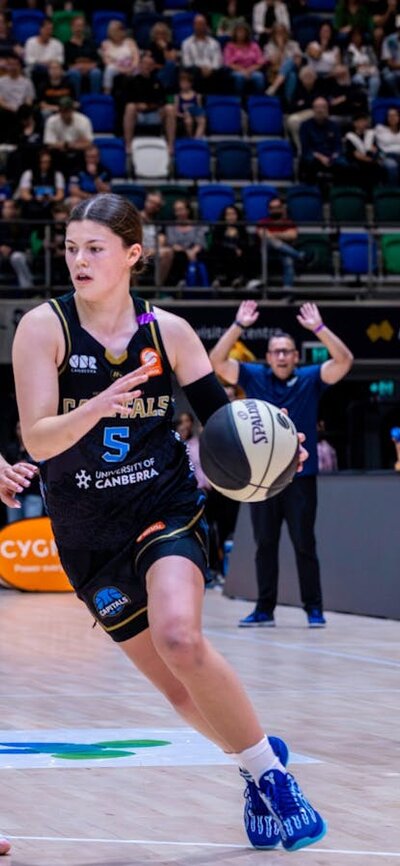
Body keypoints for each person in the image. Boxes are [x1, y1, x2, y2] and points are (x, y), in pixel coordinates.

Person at [12, 192, 326, 854]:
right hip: (87, 534)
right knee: (182, 697)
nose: (78, 260)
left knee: (182, 638)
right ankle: (253, 760)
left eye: (94, 248)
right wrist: (97, 404)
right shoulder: (44, 329)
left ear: (132, 255)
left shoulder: (171, 333)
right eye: (70, 248)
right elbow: (38, 441)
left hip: (165, 507)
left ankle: (275, 780)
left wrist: (280, 445)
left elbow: (224, 422)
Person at [209, 299, 353, 628]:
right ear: (268, 356)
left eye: (287, 351)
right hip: (263, 478)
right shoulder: (254, 375)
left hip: (301, 476)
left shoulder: (309, 378)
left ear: (296, 356)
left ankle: (313, 609)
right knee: (265, 545)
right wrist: (239, 325)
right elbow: (215, 361)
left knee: (304, 543)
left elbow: (344, 360)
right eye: (276, 351)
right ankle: (264, 610)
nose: (282, 356)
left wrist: (319, 328)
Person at [256, 197, 314, 292]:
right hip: (267, 252)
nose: (275, 210)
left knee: (287, 258)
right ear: (269, 209)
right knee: (271, 241)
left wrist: (273, 235)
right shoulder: (263, 222)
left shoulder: (288, 222)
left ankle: (287, 291)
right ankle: (299, 256)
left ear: (282, 208)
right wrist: (282, 235)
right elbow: (263, 235)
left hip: (283, 253)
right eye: (272, 208)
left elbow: (293, 235)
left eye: (277, 207)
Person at [122, 54, 176, 155]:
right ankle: (128, 145)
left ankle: (170, 145)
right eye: (145, 64)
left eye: (150, 64)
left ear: (153, 67)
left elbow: (163, 100)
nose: (147, 66)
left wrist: (150, 106)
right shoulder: (131, 81)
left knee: (169, 108)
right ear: (140, 65)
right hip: (138, 113)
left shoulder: (158, 82)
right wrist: (138, 105)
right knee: (130, 107)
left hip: (154, 112)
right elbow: (125, 99)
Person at [299, 96, 345, 185]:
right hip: (314, 156)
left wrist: (333, 157)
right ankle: (311, 192)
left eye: (323, 107)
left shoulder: (334, 126)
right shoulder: (305, 126)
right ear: (313, 109)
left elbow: (338, 146)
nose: (320, 110)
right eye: (317, 107)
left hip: (330, 157)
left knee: (344, 164)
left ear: (327, 109)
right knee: (309, 162)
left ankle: (339, 193)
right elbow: (305, 147)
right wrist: (320, 157)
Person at [5, 419, 43, 522]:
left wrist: (31, 470)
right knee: (13, 524)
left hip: (33, 492)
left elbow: (45, 468)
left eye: (22, 428)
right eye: (18, 428)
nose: (20, 431)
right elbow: (5, 469)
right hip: (15, 493)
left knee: (31, 525)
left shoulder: (37, 448)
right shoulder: (12, 448)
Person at [64, 14, 102, 99]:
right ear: (72, 27)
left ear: (84, 28)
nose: (78, 29)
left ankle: (94, 99)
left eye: (81, 26)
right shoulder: (66, 46)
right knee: (74, 73)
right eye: (76, 26)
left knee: (96, 73)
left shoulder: (91, 43)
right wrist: (77, 67)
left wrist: (87, 67)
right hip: (74, 70)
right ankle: (76, 99)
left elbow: (98, 61)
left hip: (90, 70)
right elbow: (65, 64)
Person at [223, 22, 266, 96]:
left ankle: (257, 101)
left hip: (252, 70)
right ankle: (239, 101)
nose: (241, 34)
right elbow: (227, 63)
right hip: (236, 70)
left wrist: (249, 70)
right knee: (239, 77)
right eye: (239, 32)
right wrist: (242, 70)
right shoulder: (230, 46)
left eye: (243, 32)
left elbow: (260, 62)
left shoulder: (254, 46)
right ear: (235, 33)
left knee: (259, 77)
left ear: (247, 33)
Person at [174, 70, 206, 139]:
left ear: (190, 84)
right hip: (184, 117)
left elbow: (199, 109)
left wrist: (197, 115)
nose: (184, 85)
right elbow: (175, 112)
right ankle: (190, 137)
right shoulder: (177, 97)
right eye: (182, 83)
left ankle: (197, 139)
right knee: (188, 120)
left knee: (202, 120)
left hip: (195, 115)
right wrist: (183, 115)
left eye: (186, 83)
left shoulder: (197, 96)